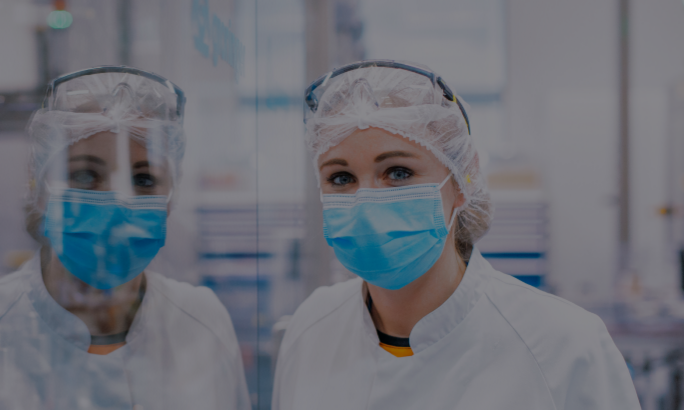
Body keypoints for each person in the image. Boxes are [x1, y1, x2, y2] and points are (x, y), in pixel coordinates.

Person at [0, 66, 250, 410]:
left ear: (171, 197)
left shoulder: (203, 324)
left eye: (144, 179)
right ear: (40, 188)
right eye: (86, 175)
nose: (117, 205)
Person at [271, 60, 640, 409]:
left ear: (463, 179)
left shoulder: (562, 347)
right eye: (341, 178)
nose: (366, 201)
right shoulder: (312, 328)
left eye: (398, 172)